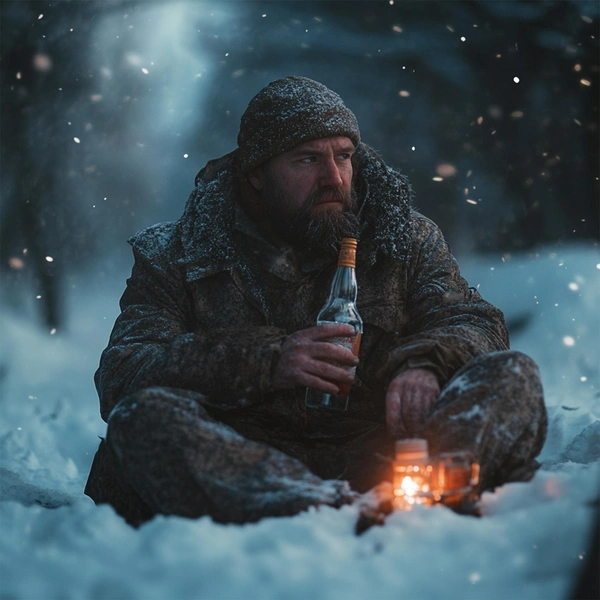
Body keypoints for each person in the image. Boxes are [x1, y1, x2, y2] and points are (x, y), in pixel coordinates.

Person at [85, 76, 548, 527]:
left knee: (512, 375)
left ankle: (417, 498)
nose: (333, 178)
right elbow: (125, 371)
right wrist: (265, 360)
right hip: (239, 458)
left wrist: (428, 363)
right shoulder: (176, 254)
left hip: (381, 453)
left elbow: (471, 319)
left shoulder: (405, 236)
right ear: (257, 176)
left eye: (343, 157)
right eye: (307, 160)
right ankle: (325, 511)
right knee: (142, 417)